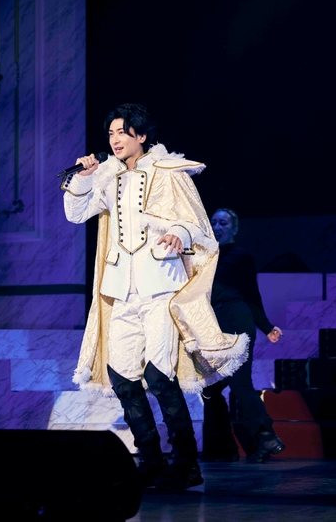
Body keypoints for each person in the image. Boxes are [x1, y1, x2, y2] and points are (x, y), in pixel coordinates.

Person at [61, 105, 249, 490]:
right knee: (122, 378)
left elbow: (196, 223)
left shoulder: (168, 172)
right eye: (111, 133)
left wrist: (179, 232)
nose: (115, 140)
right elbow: (76, 214)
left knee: (160, 377)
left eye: (122, 132)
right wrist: (83, 177)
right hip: (120, 289)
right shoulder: (107, 175)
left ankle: (186, 462)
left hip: (160, 286)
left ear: (141, 136)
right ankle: (150, 459)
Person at [201, 208, 285, 463]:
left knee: (239, 382)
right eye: (214, 222)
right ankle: (222, 447)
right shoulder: (204, 256)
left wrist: (266, 326)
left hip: (236, 318)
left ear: (234, 229)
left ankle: (266, 435)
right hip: (213, 324)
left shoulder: (241, 256)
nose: (217, 227)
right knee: (210, 387)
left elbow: (251, 294)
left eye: (223, 223)